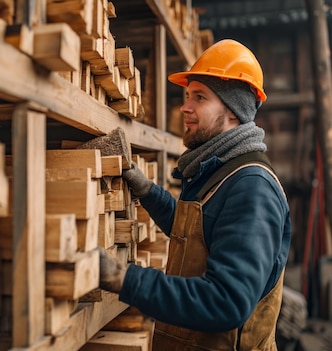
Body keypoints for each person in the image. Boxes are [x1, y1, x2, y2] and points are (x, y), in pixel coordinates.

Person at [98, 38, 292, 351]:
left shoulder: (252, 187)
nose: (185, 107)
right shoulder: (219, 169)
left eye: (199, 98)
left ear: (232, 111)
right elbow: (198, 236)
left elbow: (225, 302)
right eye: (188, 96)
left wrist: (124, 279)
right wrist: (149, 192)